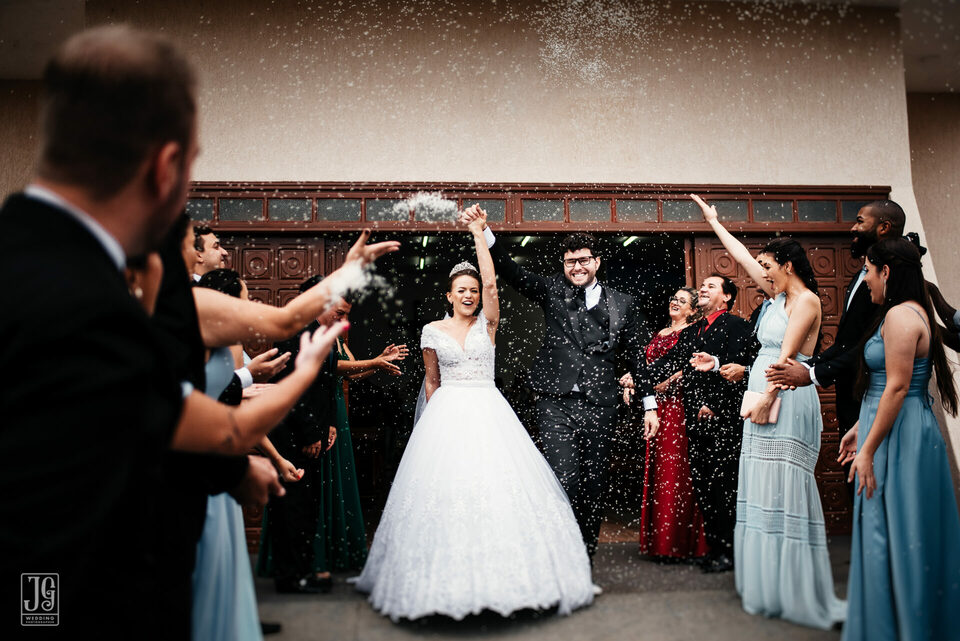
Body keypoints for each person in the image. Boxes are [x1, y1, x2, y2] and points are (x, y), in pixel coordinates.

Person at [355, 205, 594, 621]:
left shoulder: (489, 324)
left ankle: (507, 580)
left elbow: (492, 282)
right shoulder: (431, 331)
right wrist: (430, 428)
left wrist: (479, 235)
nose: (469, 295)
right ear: (449, 296)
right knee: (446, 493)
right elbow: (432, 382)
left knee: (498, 489)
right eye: (461, 290)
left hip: (489, 413)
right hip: (446, 418)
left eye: (473, 291)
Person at [465, 214, 658, 562]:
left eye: (583, 260)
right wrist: (484, 232)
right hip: (555, 403)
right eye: (570, 262)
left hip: (601, 405)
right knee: (563, 479)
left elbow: (638, 356)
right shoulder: (550, 289)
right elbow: (511, 271)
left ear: (597, 262)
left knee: (594, 486)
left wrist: (649, 405)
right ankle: (560, 556)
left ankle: (584, 557)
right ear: (563, 264)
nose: (577, 267)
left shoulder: (623, 303)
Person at [691, 194, 846, 628]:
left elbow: (786, 360)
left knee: (784, 488)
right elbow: (742, 258)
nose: (761, 271)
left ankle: (793, 588)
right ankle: (767, 586)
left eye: (767, 265)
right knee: (761, 489)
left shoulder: (806, 301)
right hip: (759, 395)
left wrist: (766, 399)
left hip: (784, 399)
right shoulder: (775, 297)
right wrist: (714, 223)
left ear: (787, 266)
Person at [838, 238, 960, 641]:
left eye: (867, 271)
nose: (866, 280)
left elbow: (897, 387)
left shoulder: (901, 317)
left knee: (899, 531)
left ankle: (903, 628)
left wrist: (868, 449)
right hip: (890, 425)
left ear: (885, 271)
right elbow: (885, 389)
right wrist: (861, 426)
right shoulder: (907, 312)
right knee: (897, 529)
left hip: (899, 434)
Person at [765, 201, 905, 490]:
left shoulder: (893, 283)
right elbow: (845, 343)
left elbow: (871, 345)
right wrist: (808, 366)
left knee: (876, 483)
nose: (852, 228)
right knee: (856, 481)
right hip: (852, 394)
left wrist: (812, 375)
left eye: (860, 221)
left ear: (883, 228)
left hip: (875, 394)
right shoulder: (861, 275)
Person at [632, 288, 709, 561]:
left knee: (674, 468)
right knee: (658, 466)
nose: (675, 303)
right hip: (656, 406)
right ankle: (659, 542)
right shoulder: (661, 332)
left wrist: (665, 382)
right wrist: (635, 383)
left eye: (682, 301)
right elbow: (647, 365)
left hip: (677, 406)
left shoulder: (692, 332)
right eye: (674, 299)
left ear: (693, 311)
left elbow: (687, 365)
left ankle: (677, 543)